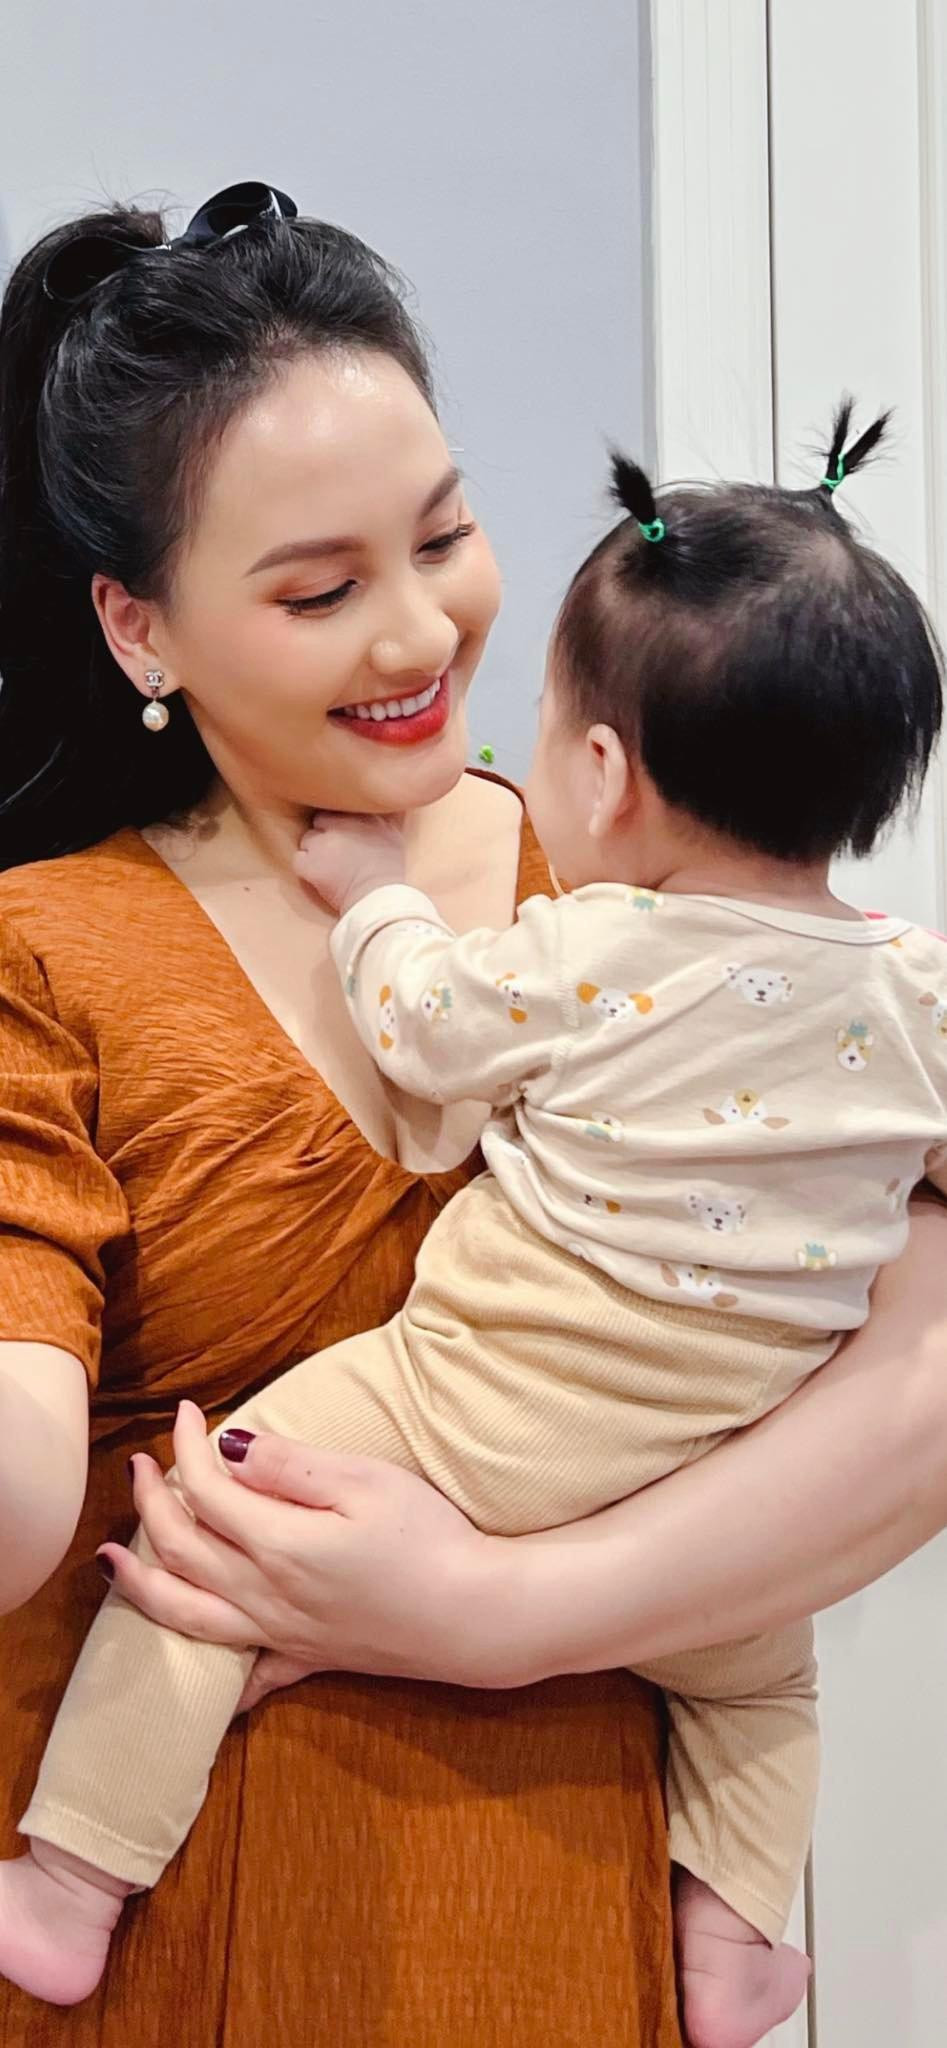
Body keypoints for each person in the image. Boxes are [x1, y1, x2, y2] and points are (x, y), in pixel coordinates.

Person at [0, 182, 946, 2048]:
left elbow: (917, 1387)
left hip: (555, 1937)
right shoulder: (49, 946)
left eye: (445, 533)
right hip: (181, 1960)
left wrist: (496, 1606)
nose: (424, 628)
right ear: (139, 627)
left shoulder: (653, 900)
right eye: (318, 590)